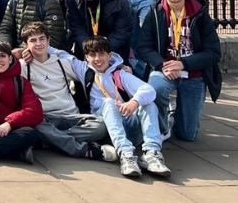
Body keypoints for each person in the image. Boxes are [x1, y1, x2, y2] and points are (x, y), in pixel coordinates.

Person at [50, 35, 170, 179]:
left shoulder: (120, 74)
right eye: (92, 55)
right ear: (86, 57)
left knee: (148, 103)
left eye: (101, 54)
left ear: (109, 55)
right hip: (104, 127)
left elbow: (148, 89)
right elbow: (61, 54)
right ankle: (126, 154)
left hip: (128, 125)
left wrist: (134, 102)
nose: (97, 59)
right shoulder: (83, 70)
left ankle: (152, 153)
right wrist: (29, 50)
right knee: (108, 102)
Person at [138, 0, 222, 142]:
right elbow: (144, 47)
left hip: (193, 73)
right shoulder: (154, 13)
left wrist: (184, 63)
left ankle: (175, 117)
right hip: (165, 69)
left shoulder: (200, 13)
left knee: (187, 135)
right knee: (155, 89)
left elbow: (213, 52)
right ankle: (161, 128)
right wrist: (162, 64)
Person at [18, 22, 112, 161]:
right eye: (33, 40)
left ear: (48, 41)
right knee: (35, 125)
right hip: (44, 118)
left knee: (101, 126)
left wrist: (118, 66)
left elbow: (92, 69)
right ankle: (83, 150)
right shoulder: (23, 67)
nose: (38, 43)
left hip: (70, 116)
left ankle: (48, 141)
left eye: (42, 39)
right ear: (26, 45)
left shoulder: (63, 63)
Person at [63, 0, 133, 60]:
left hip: (113, 49)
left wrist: (102, 50)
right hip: (86, 49)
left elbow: (123, 30)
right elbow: (76, 26)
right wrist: (88, 48)